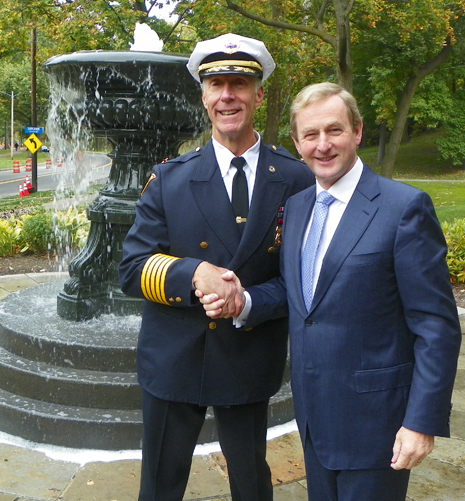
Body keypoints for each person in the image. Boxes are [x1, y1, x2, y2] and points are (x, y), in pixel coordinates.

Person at [197, 82, 462, 501]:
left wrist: (421, 422)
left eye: (334, 131)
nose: (322, 145)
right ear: (297, 143)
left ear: (357, 131)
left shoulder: (404, 209)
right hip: (315, 418)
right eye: (310, 135)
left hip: (378, 427)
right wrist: (243, 301)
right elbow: (299, 292)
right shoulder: (299, 206)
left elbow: (436, 327)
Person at [118, 33, 314, 501]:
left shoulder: (296, 177)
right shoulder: (170, 178)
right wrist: (194, 275)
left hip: (248, 356)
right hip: (173, 357)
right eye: (216, 84)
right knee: (160, 486)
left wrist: (246, 300)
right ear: (204, 96)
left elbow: (307, 280)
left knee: (251, 482)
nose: (228, 95)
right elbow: (132, 268)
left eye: (239, 83)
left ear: (259, 93)